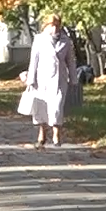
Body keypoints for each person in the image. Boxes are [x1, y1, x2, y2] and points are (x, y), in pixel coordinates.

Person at [17, 11, 75, 148]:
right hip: (41, 79)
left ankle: (56, 134)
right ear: (46, 26)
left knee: (56, 107)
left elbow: (71, 61)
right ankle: (42, 133)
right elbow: (34, 60)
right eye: (51, 25)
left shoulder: (66, 41)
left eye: (57, 25)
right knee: (41, 107)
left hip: (59, 79)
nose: (54, 28)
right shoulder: (39, 39)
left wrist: (74, 79)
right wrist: (30, 79)